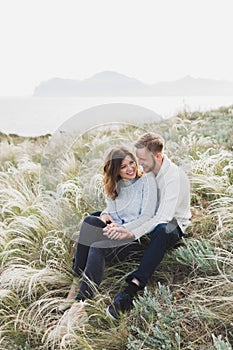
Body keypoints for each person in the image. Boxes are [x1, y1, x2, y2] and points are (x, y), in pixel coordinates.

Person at [105, 133, 191, 319]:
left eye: (142, 160)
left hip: (172, 224)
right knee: (98, 217)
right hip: (148, 218)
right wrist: (108, 213)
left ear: (158, 156)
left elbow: (162, 217)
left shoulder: (173, 177)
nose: (139, 165)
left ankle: (132, 287)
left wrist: (130, 232)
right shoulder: (151, 172)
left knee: (161, 230)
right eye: (139, 159)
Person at [63, 146, 158, 307]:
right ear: (115, 171)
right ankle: (77, 278)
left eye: (131, 163)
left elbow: (146, 217)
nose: (130, 169)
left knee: (97, 247)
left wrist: (123, 229)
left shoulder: (146, 182)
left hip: (136, 239)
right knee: (89, 221)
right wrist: (105, 215)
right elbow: (115, 211)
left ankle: (82, 300)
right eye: (123, 166)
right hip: (117, 233)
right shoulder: (114, 187)